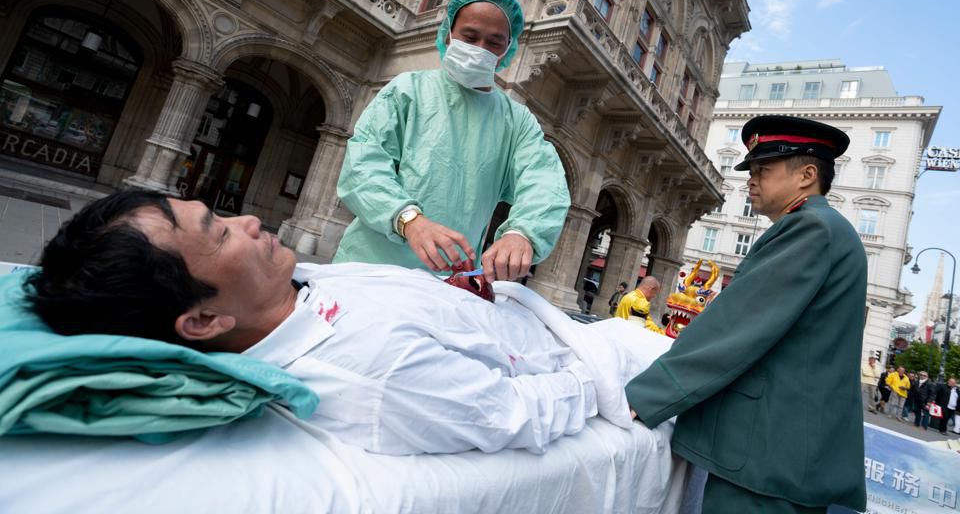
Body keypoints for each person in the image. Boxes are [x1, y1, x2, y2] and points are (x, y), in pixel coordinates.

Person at [25, 191, 662, 456]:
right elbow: (519, 412)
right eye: (219, 234)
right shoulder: (374, 374)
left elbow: (410, 305)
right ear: (202, 321)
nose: (248, 221)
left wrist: (468, 295)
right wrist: (604, 373)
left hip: (540, 319)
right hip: (616, 363)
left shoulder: (299, 287)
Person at [624, 115, 868, 512]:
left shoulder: (811, 229)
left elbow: (737, 326)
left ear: (807, 174)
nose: (750, 180)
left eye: (763, 170)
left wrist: (648, 395)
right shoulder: (824, 228)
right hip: (783, 455)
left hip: (768, 457)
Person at [334, 0, 570, 283]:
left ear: (509, 49)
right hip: (368, 269)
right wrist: (410, 221)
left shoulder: (517, 121)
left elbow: (544, 182)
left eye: (494, 42)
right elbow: (362, 166)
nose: (479, 49)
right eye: (470, 37)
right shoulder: (408, 91)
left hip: (448, 283)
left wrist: (522, 232)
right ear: (448, 33)